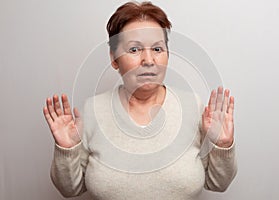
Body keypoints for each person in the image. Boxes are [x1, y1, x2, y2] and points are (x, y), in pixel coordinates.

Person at [43, 1, 237, 199]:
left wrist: (222, 145)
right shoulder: (93, 110)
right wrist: (67, 150)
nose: (148, 60)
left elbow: (217, 183)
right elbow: (70, 189)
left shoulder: (193, 107)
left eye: (157, 49)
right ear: (114, 58)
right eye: (134, 50)